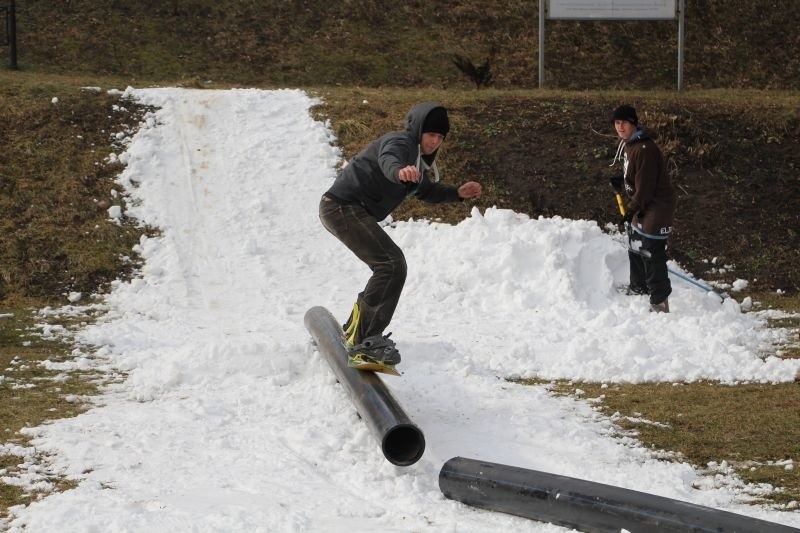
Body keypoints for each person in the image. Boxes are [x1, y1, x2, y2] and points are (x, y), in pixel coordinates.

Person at [319, 102, 482, 369]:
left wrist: (457, 193)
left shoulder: (417, 163)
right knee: (391, 264)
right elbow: (388, 160)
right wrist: (398, 171)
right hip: (341, 206)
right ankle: (364, 340)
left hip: (347, 209)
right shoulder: (401, 143)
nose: (435, 142)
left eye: (440, 138)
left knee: (390, 265)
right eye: (431, 134)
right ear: (418, 131)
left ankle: (357, 331)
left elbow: (427, 191)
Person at [609, 104, 676, 313]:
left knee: (652, 252)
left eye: (624, 123)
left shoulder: (644, 149)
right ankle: (639, 287)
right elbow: (637, 176)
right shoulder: (630, 144)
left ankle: (659, 301)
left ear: (633, 124)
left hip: (657, 207)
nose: (620, 127)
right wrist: (623, 181)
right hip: (643, 204)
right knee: (635, 244)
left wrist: (630, 209)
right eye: (617, 123)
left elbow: (645, 187)